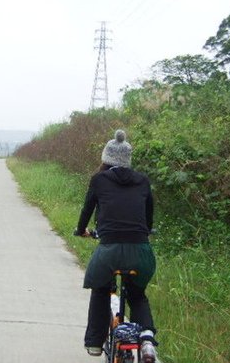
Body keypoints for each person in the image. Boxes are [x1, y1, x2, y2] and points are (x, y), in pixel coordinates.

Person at [74, 129, 160, 363]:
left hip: (109, 251)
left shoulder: (99, 180)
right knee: (137, 295)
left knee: (101, 289)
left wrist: (81, 229)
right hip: (141, 251)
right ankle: (147, 341)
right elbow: (148, 217)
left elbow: (87, 210)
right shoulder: (142, 181)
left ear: (106, 158)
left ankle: (94, 343)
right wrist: (146, 229)